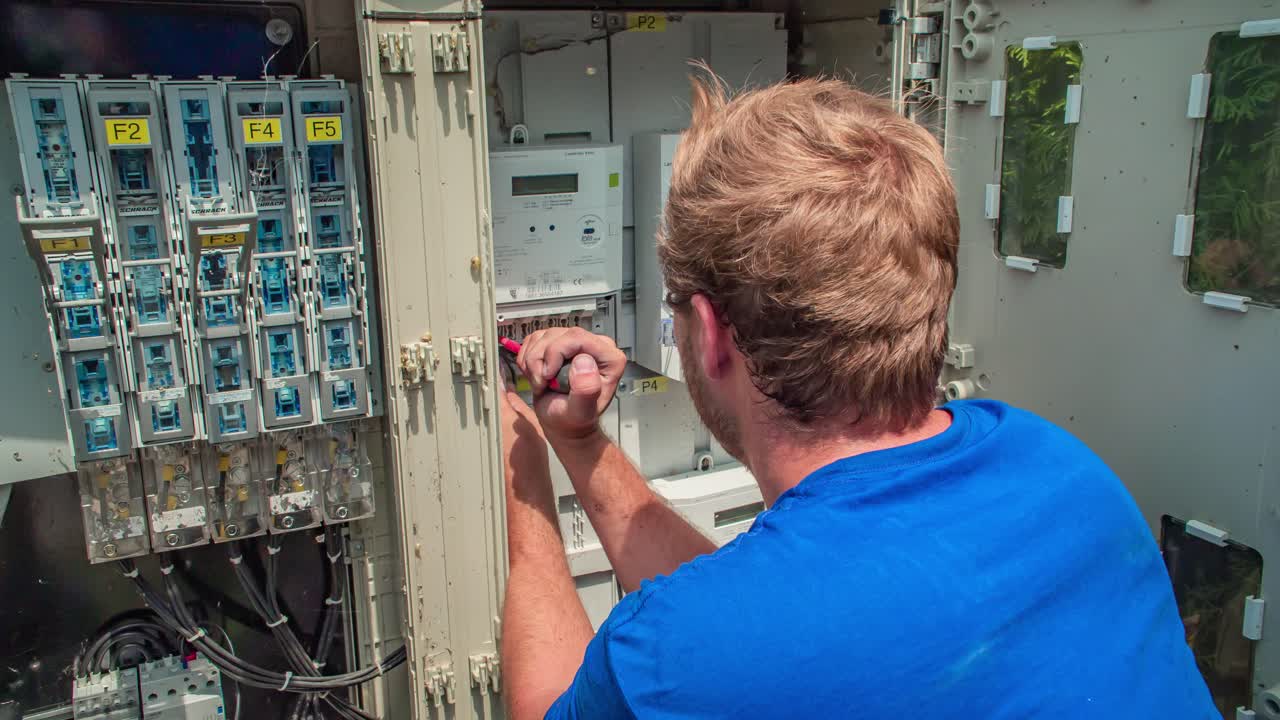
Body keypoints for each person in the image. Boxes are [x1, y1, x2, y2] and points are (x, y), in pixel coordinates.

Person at [498, 73, 1215, 719]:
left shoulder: (672, 658)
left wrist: (521, 472)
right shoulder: (1063, 472)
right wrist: (580, 444)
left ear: (712, 334)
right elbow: (765, 632)